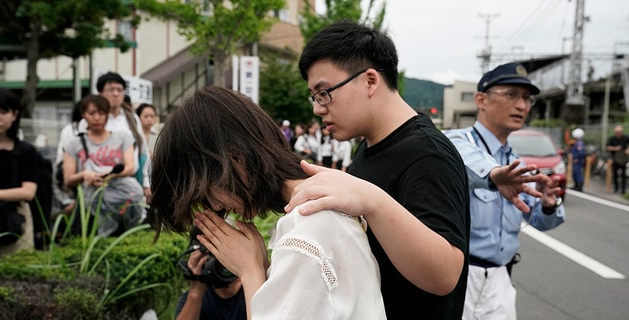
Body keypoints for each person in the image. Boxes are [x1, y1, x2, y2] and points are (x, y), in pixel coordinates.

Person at [147, 86, 386, 319]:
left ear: (234, 159)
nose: (216, 207)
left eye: (208, 193)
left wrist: (250, 271)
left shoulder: (304, 233)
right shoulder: (323, 204)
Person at [286, 20, 470, 318]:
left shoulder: (427, 154)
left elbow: (445, 275)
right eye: (315, 97)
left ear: (370, 81)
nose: (318, 108)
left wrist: (372, 201)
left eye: (324, 93)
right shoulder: (369, 145)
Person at [443, 62, 566, 319]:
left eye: (526, 99)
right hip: (458, 277)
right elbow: (463, 159)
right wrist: (493, 175)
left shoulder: (518, 166)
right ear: (481, 99)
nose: (522, 106)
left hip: (501, 278)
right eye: (511, 95)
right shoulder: (456, 141)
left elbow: (539, 220)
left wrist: (548, 204)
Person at [63, 95, 144, 237]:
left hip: (122, 196)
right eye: (91, 113)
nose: (96, 118)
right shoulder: (74, 143)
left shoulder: (122, 137)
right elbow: (68, 179)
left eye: (101, 113)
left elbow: (130, 167)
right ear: (83, 115)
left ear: (107, 114)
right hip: (92, 203)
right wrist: (85, 175)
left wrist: (108, 175)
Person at [79, 72, 152, 203]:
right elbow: (81, 151)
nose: (116, 94)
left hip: (130, 184)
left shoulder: (132, 119)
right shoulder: (88, 122)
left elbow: (143, 150)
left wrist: (147, 182)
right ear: (100, 93)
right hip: (98, 184)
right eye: (111, 90)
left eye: (119, 90)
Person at [0, 87, 37, 256]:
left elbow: (28, 192)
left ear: (14, 115)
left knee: (16, 272)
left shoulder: (26, 151)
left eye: (2, 112)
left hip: (15, 219)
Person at [175, 225, 247, 320]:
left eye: (223, 255)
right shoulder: (193, 299)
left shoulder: (253, 285)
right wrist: (196, 291)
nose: (222, 263)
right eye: (211, 255)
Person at [606, 125, 629, 194]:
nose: (618, 133)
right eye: (617, 132)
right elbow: (608, 147)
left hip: (623, 158)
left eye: (619, 132)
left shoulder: (625, 137)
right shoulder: (612, 138)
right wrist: (615, 148)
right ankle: (616, 188)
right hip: (615, 158)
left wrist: (627, 150)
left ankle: (623, 189)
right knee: (615, 174)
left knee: (623, 174)